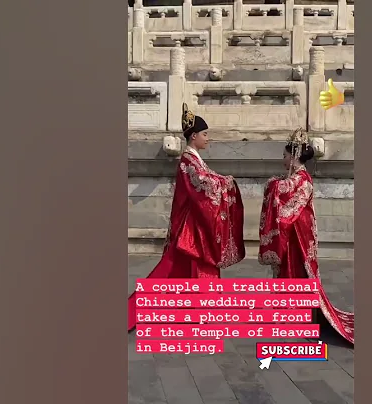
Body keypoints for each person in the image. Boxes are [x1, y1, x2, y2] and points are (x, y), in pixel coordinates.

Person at [128, 103, 245, 331]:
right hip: (190, 228)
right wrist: (224, 183)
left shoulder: (194, 160)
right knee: (174, 271)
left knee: (182, 271)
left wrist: (223, 180)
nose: (207, 138)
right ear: (193, 136)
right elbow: (203, 184)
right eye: (205, 134)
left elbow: (209, 177)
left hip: (196, 226)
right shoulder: (188, 162)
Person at [258, 128, 355, 344]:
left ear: (294, 157)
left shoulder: (301, 180)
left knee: (299, 274)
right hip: (293, 235)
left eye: (285, 156)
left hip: (300, 238)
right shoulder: (293, 179)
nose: (283, 160)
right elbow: (280, 191)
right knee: (289, 273)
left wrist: (273, 186)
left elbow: (286, 206)